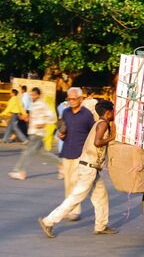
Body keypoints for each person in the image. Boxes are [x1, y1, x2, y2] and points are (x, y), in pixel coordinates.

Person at [39, 100, 118, 238]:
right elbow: (97, 142)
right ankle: (48, 221)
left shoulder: (100, 123)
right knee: (76, 197)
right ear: (107, 112)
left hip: (91, 168)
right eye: (112, 111)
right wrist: (112, 137)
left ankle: (101, 226)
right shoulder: (103, 124)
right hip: (88, 168)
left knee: (101, 196)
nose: (114, 113)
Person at [8, 87, 61, 180]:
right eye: (31, 95)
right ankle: (61, 164)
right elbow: (34, 118)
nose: (32, 97)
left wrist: (44, 123)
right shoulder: (34, 105)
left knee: (27, 152)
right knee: (42, 153)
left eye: (34, 95)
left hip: (37, 133)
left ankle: (20, 171)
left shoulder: (42, 104)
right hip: (33, 132)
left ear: (39, 95)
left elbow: (52, 117)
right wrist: (26, 118)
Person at [59, 87, 95, 221]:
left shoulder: (87, 114)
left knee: (75, 181)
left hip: (80, 153)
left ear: (80, 99)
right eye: (69, 99)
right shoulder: (66, 112)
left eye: (74, 99)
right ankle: (68, 209)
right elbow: (63, 131)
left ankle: (75, 210)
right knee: (68, 182)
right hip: (67, 150)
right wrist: (61, 135)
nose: (71, 101)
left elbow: (92, 133)